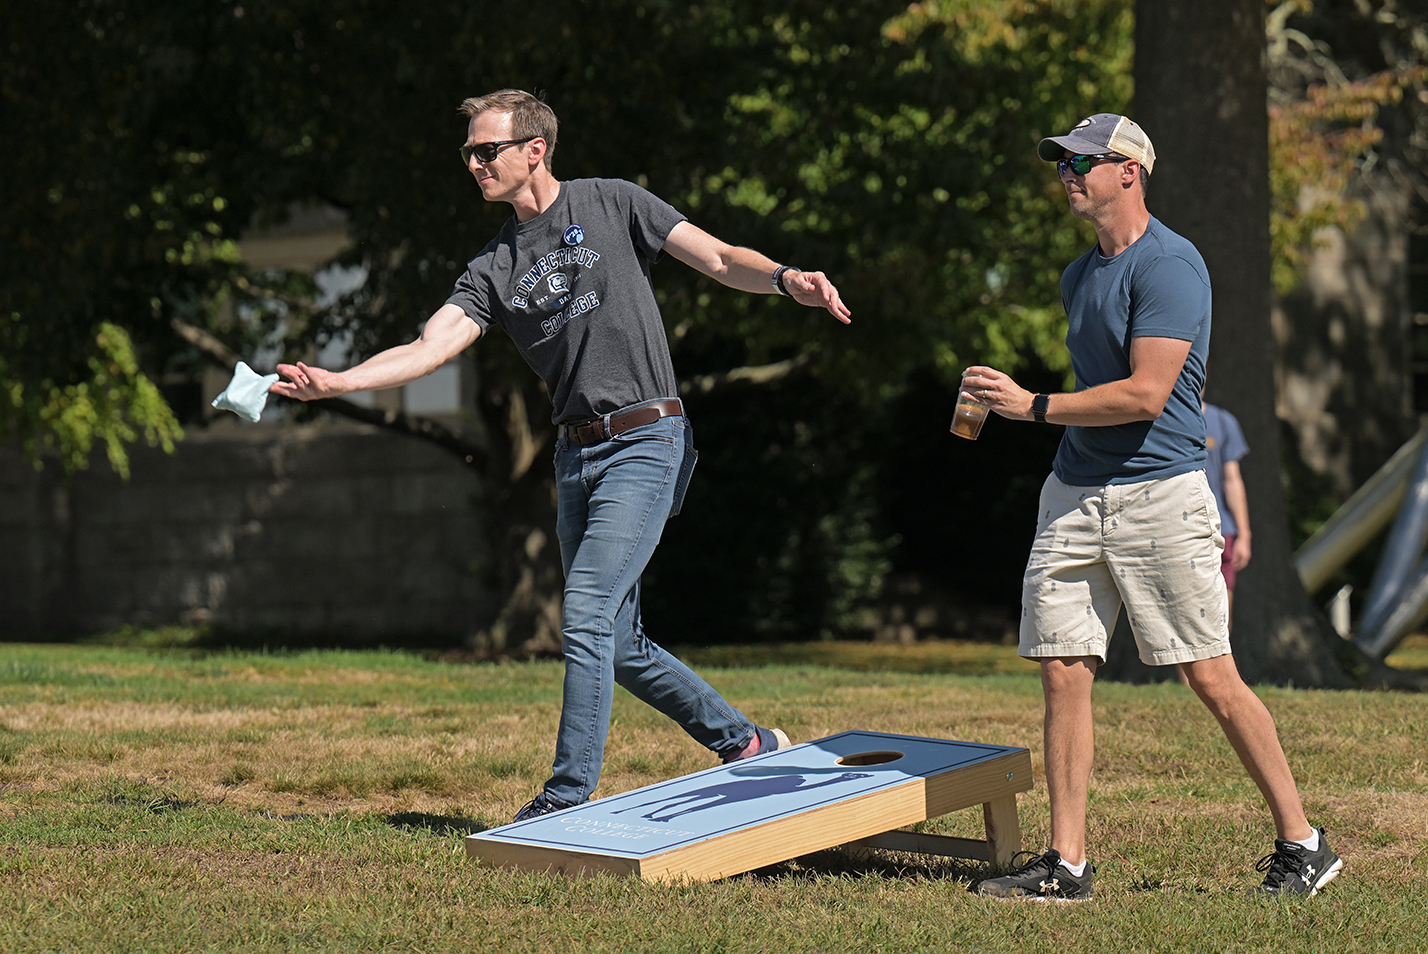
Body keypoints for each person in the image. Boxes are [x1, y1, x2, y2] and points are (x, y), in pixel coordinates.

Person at [270, 89, 851, 820]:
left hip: (646, 437)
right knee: (618, 643)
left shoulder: (612, 203)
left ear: (534, 149)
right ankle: (747, 744)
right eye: (469, 154)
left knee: (582, 612)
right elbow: (429, 347)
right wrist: (338, 381)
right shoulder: (493, 267)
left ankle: (566, 794)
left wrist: (783, 278)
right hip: (576, 457)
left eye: (488, 151)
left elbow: (718, 256)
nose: (475, 164)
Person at [959, 113, 1341, 900]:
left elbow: (1145, 395)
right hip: (1072, 492)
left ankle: (1305, 843)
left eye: (1082, 163)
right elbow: (1098, 395)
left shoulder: (1172, 266)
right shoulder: (1079, 275)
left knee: (1210, 674)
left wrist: (1030, 406)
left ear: (1128, 170)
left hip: (1158, 495)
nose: (1067, 174)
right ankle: (1065, 865)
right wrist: (1013, 406)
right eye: (1061, 164)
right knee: (1063, 667)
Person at [1204, 398, 1252, 620]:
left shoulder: (1222, 421)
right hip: (1175, 532)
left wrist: (1244, 533)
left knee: (1222, 621)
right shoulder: (1160, 418)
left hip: (1221, 532)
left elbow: (1232, 480)